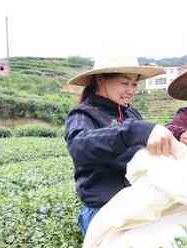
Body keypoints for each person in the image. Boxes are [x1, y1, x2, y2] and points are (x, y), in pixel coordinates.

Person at [65, 55, 176, 235]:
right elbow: (79, 145)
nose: (131, 91)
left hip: (138, 202)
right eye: (125, 83)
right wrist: (132, 132)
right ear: (101, 80)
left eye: (134, 84)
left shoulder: (131, 113)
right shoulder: (83, 114)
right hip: (103, 209)